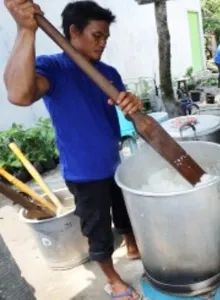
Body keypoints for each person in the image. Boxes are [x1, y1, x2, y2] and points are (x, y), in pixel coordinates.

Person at [3, 1, 142, 299]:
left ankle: (132, 245)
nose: (103, 43)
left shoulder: (108, 73)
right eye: (97, 36)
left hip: (114, 164)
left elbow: (129, 113)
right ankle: (112, 279)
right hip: (84, 173)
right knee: (98, 230)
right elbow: (19, 94)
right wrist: (25, 30)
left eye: (106, 37)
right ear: (73, 32)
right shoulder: (53, 67)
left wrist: (134, 103)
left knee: (125, 211)